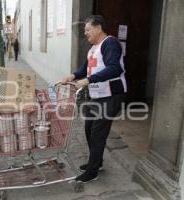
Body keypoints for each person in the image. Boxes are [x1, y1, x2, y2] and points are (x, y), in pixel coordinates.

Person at [61, 15, 127, 183]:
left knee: (98, 133)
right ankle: (96, 163)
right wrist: (73, 75)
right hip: (96, 95)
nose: (86, 33)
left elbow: (115, 69)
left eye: (88, 29)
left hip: (110, 95)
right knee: (89, 129)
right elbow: (86, 68)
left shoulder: (110, 43)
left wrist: (88, 80)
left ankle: (92, 171)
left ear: (99, 28)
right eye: (85, 30)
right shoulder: (93, 48)